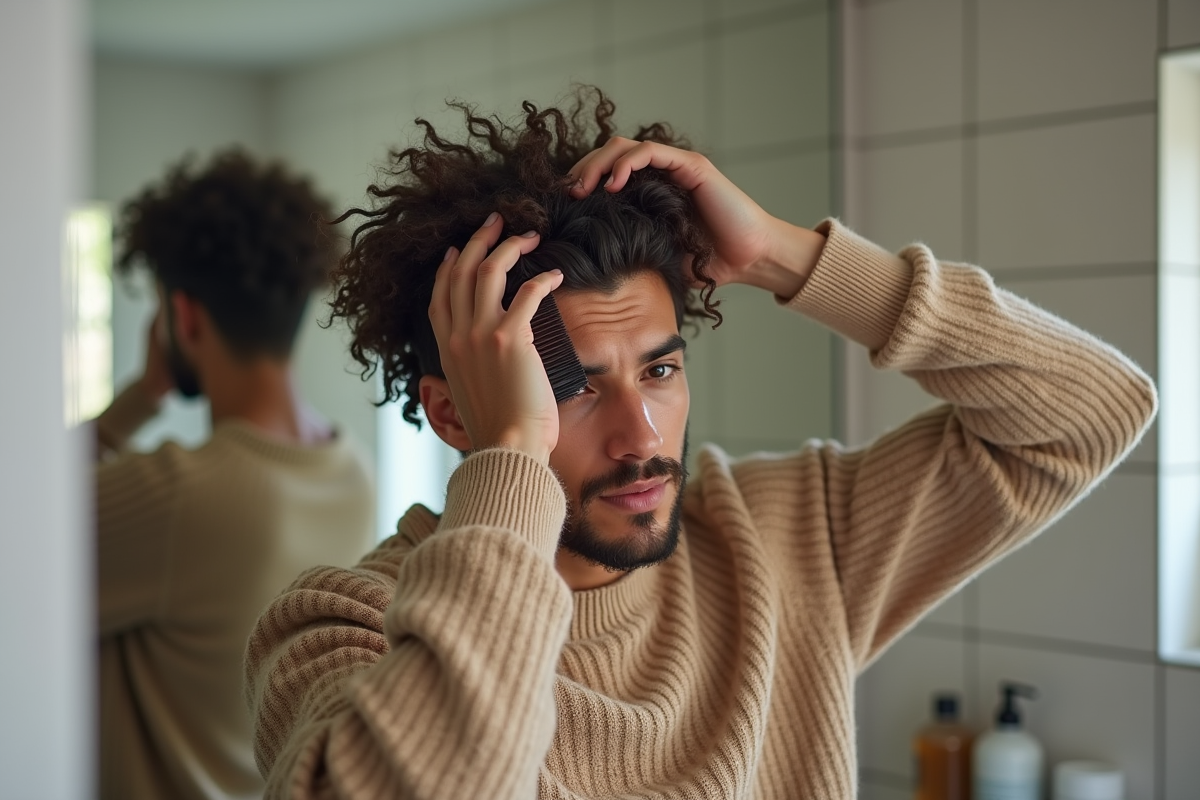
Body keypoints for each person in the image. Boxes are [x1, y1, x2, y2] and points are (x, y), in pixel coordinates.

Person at [244, 90, 1156, 798]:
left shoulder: (787, 540)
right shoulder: (340, 629)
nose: (642, 436)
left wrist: (783, 258)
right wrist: (513, 454)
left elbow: (1093, 411)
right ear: (456, 414)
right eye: (573, 388)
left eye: (660, 371)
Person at [94, 149, 375, 800]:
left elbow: (19, 505)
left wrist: (137, 399)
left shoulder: (180, 493)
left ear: (183, 316)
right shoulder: (353, 468)